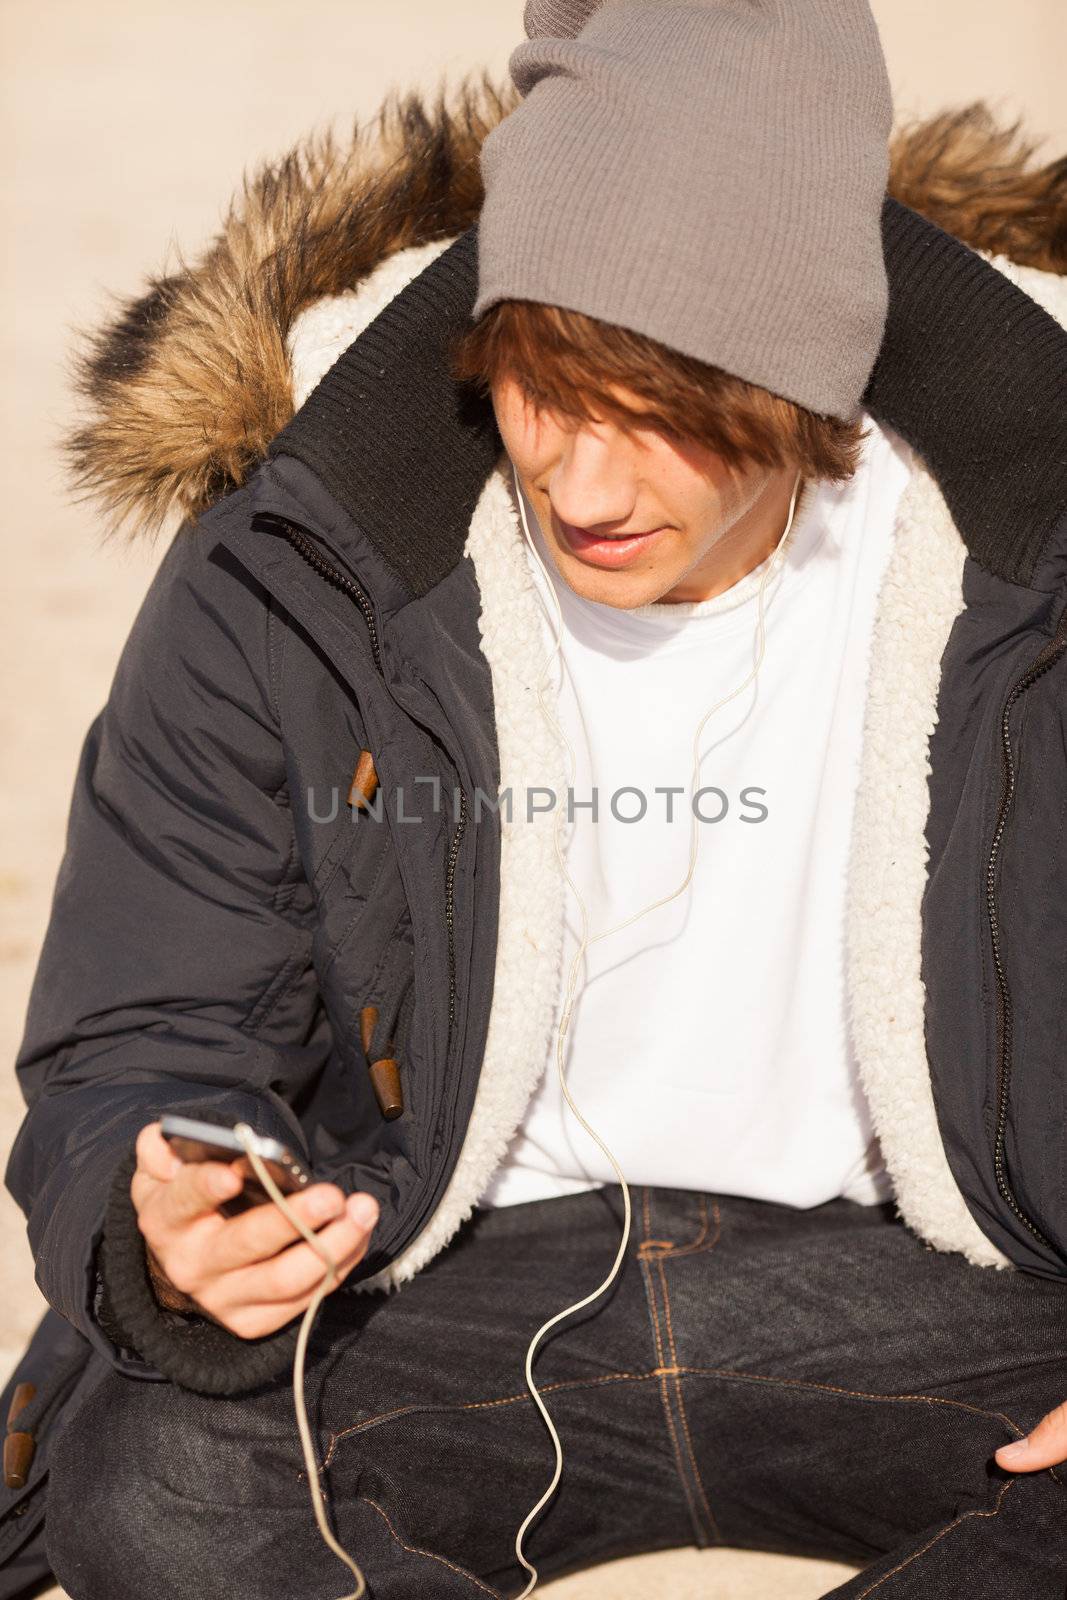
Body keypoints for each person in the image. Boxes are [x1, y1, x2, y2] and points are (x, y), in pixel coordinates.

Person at [4, 1, 1067, 1595]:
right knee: (152, 1481)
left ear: (808, 375)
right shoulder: (298, 574)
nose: (578, 480)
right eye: (536, 384)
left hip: (938, 1281)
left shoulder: (1032, 564)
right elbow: (143, 1027)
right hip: (447, 1265)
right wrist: (166, 1219)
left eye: (658, 412)